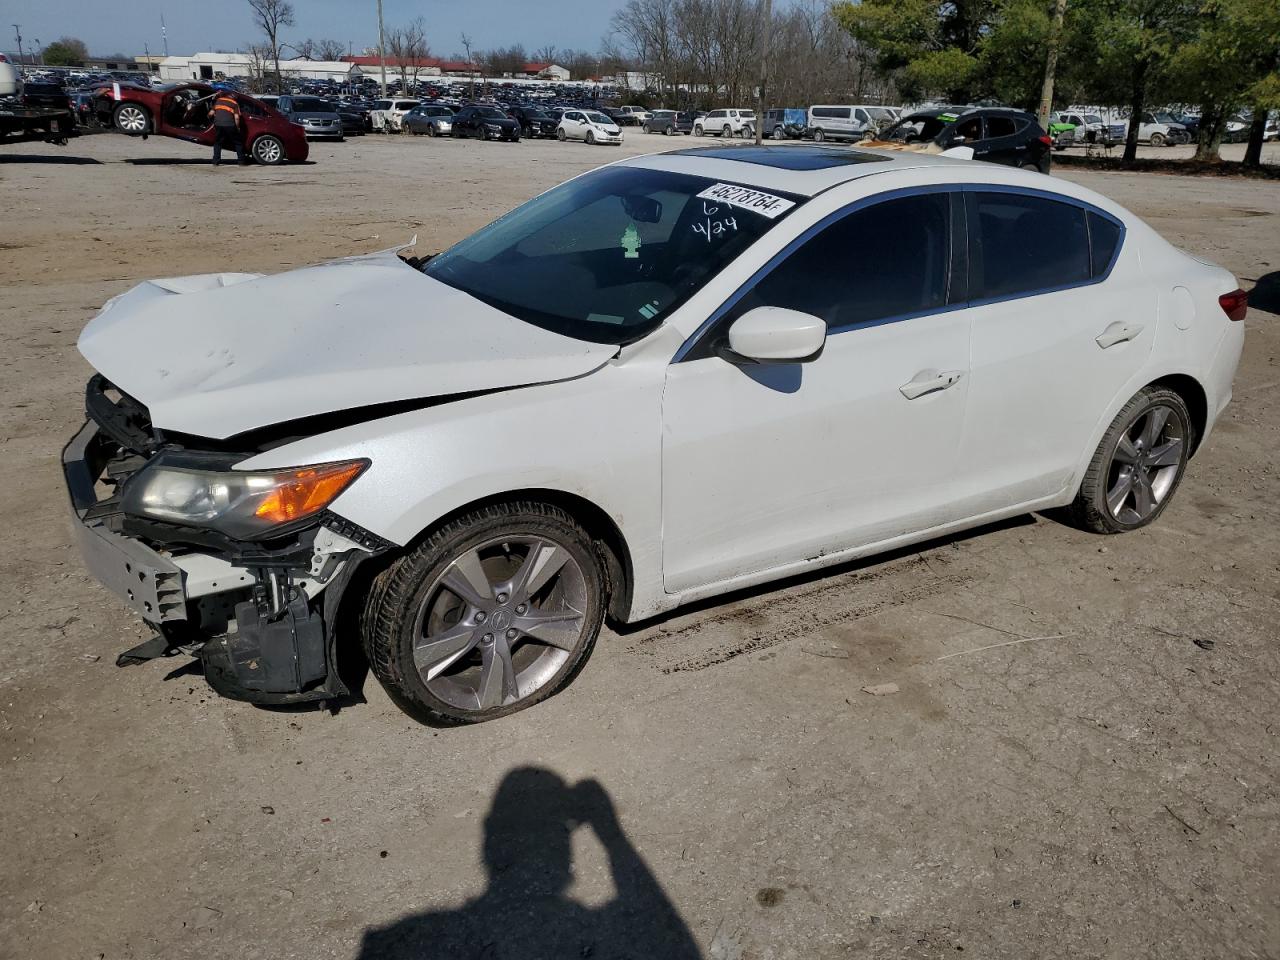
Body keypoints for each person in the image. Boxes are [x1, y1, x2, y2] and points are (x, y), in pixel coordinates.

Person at [210, 90, 246, 166]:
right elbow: (236, 117)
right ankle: (241, 162)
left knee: (218, 143)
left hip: (218, 125)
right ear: (234, 98)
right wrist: (238, 127)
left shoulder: (219, 100)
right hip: (230, 125)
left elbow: (211, 113)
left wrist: (209, 119)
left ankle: (215, 162)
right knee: (238, 143)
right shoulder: (234, 103)